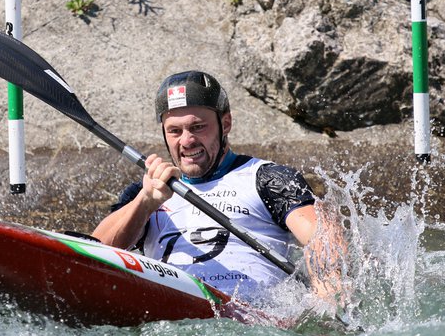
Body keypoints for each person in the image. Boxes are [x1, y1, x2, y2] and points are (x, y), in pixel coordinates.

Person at [92, 70, 343, 303]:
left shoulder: (267, 178)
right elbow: (95, 253)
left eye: (198, 127)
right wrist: (145, 202)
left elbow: (324, 237)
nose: (187, 141)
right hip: (172, 306)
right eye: (175, 131)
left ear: (226, 123)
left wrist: (327, 297)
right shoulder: (147, 192)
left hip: (253, 313)